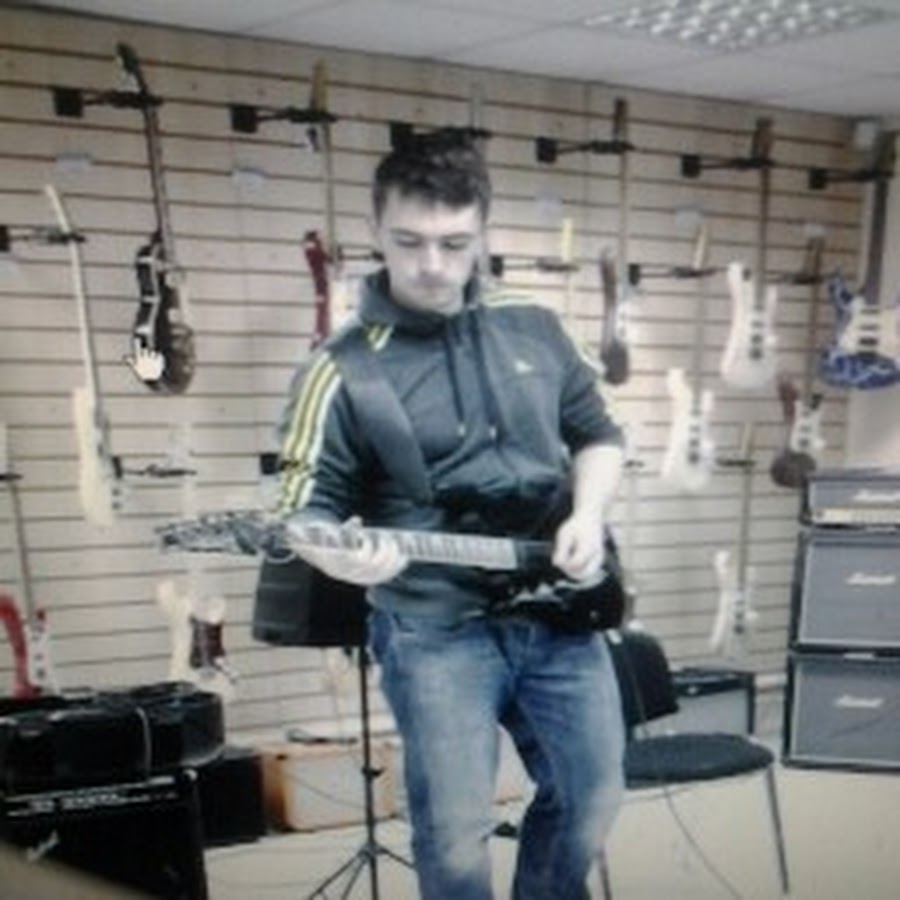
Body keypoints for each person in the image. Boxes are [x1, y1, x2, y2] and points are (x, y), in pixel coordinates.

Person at [277, 130, 626, 900]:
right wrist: (339, 556)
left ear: (482, 234)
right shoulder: (339, 368)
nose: (431, 264)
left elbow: (598, 436)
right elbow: (301, 508)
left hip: (562, 612)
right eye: (409, 242)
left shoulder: (535, 324)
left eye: (454, 243)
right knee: (456, 835)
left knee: (593, 797)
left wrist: (588, 514)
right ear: (375, 231)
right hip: (434, 631)